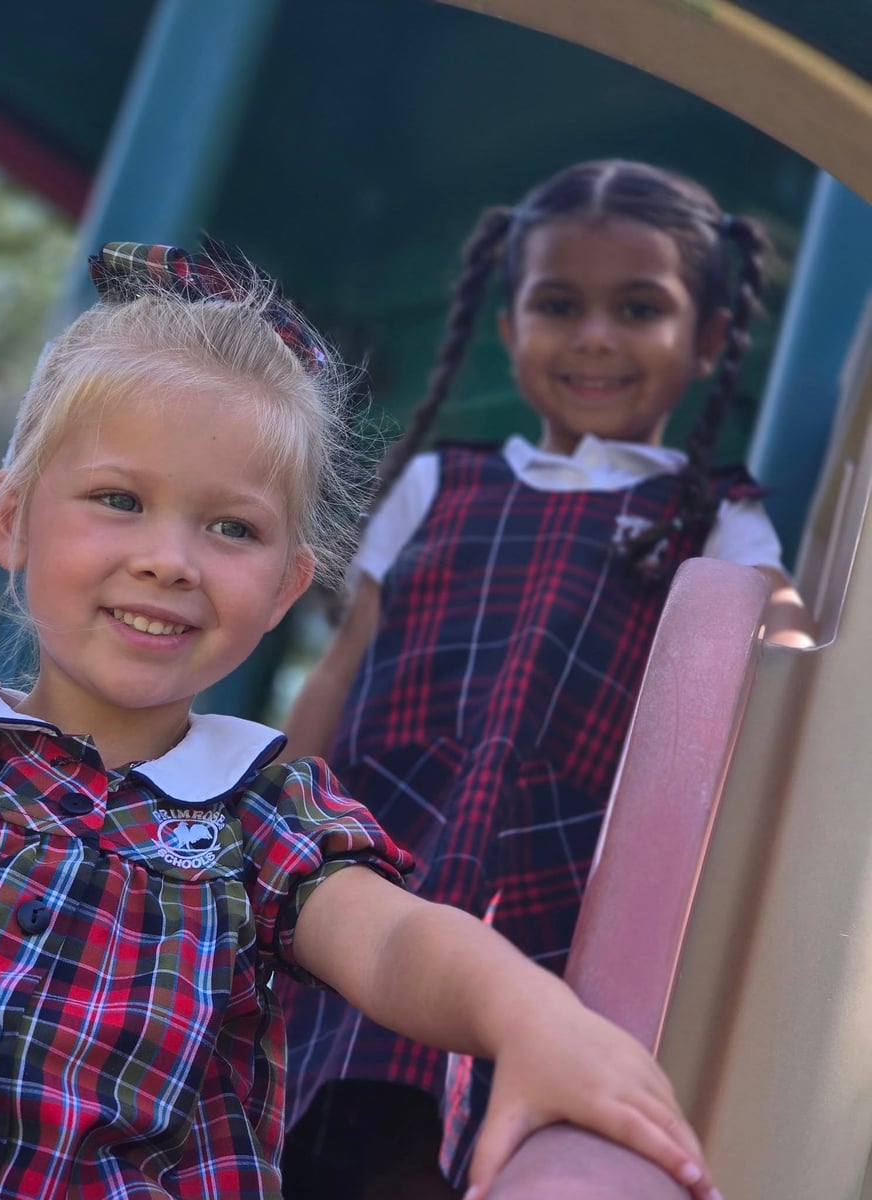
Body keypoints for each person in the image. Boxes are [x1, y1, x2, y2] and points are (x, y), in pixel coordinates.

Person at [0, 241, 718, 1200]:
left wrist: (526, 1017)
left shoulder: (262, 825)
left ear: (282, 589)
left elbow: (399, 943)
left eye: (232, 527)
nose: (171, 559)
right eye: (121, 500)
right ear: (12, 519)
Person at [277, 159, 817, 1200]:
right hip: (387, 827)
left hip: (555, 863)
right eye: (559, 304)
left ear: (708, 341)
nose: (596, 336)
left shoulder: (716, 515)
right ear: (511, 327)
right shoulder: (441, 480)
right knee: (322, 1083)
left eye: (640, 308)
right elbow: (343, 667)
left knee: (468, 1115)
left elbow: (791, 652)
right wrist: (273, 808)